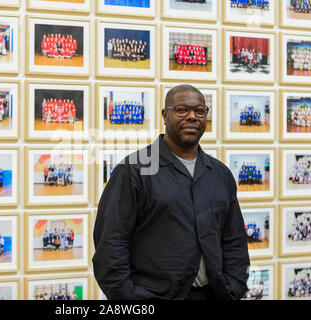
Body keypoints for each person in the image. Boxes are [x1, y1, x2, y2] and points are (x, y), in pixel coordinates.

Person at [93, 84, 250, 300]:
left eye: (200, 111)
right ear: (165, 115)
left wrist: (235, 286)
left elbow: (234, 240)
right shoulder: (133, 170)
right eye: (182, 110)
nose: (192, 117)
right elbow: (110, 244)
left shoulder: (220, 174)